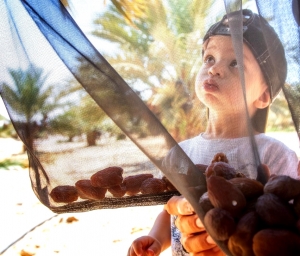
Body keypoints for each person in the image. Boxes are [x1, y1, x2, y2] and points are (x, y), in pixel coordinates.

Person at [127, 9, 299, 256]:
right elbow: (168, 212)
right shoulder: (181, 153)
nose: (215, 69)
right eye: (209, 58)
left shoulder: (274, 154)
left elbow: (283, 224)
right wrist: (155, 239)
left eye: (236, 62)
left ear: (263, 95)